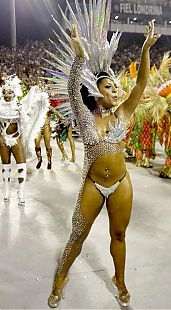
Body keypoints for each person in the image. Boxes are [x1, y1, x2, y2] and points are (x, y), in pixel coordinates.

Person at [47, 14, 160, 307]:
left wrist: (146, 49)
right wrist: (79, 56)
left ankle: (119, 279)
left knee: (119, 234)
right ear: (98, 92)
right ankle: (61, 276)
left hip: (121, 183)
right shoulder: (86, 117)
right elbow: (73, 88)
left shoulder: (121, 114)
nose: (117, 91)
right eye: (110, 87)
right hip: (94, 185)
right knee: (78, 234)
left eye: (116, 88)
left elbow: (140, 84)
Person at [0, 75, 49, 204]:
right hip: (3, 140)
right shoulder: (0, 106)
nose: (7, 95)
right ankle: (6, 192)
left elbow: (25, 124)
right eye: (5, 92)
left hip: (16, 140)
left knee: (22, 166)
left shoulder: (19, 106)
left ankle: (20, 194)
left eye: (10, 92)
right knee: (5, 167)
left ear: (14, 93)